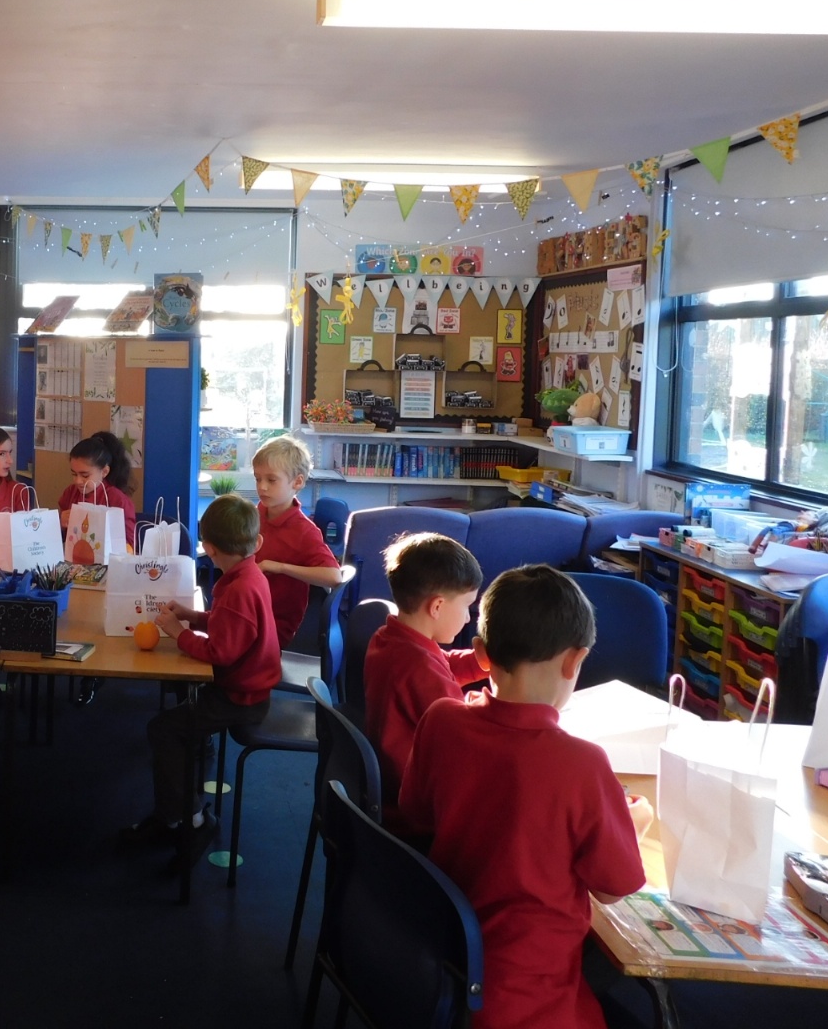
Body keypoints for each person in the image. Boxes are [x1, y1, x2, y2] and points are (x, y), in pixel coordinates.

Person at [399, 565, 651, 1029]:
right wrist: (633, 825)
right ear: (575, 661)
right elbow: (613, 889)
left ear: (481, 654)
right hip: (530, 997)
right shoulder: (583, 764)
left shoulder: (440, 719)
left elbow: (415, 812)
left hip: (443, 961)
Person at [120, 495, 280, 866]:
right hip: (243, 688)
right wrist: (193, 616)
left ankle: (191, 820)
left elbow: (220, 652)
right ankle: (173, 815)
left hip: (240, 697)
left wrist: (179, 632)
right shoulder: (247, 576)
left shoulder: (239, 589)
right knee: (179, 726)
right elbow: (228, 624)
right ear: (256, 542)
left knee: (164, 730)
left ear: (208, 548)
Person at [363, 531, 486, 826]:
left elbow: (441, 664)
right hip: (417, 807)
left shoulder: (390, 638)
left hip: (391, 784)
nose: (467, 618)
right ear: (437, 606)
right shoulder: (419, 667)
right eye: (467, 607)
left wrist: (479, 662)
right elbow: (465, 737)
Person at [250, 436, 344, 646]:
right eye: (257, 479)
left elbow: (334, 576)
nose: (262, 487)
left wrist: (280, 567)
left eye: (271, 480)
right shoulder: (257, 513)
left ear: (297, 482)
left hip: (273, 622)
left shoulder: (304, 531)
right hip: (250, 607)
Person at [56, 431, 137, 548]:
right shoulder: (70, 492)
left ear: (104, 472)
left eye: (85, 476)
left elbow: (129, 545)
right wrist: (59, 521)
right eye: (74, 474)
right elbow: (58, 539)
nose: (78, 481)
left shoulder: (118, 500)